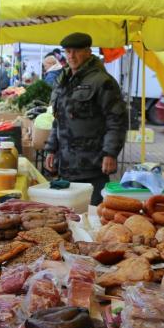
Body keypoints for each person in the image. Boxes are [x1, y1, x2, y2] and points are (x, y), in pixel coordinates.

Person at [43, 32, 127, 205]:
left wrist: (110, 153)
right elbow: (58, 119)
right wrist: (51, 149)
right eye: (67, 52)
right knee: (69, 215)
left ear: (88, 52)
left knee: (92, 215)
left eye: (76, 51)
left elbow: (117, 121)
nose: (71, 56)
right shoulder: (63, 80)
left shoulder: (102, 81)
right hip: (65, 165)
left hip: (92, 166)